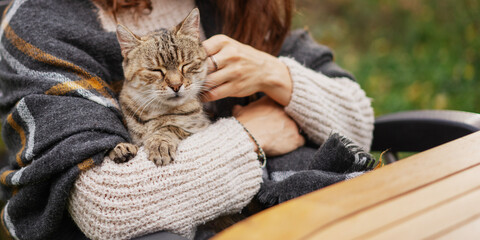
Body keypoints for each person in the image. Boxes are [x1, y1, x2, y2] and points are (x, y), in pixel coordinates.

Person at [0, 0, 374, 239]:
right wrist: (249, 137)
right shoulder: (40, 21)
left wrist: (276, 75)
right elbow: (109, 206)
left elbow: (358, 129)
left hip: (331, 211)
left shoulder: (234, 6)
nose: (177, 83)